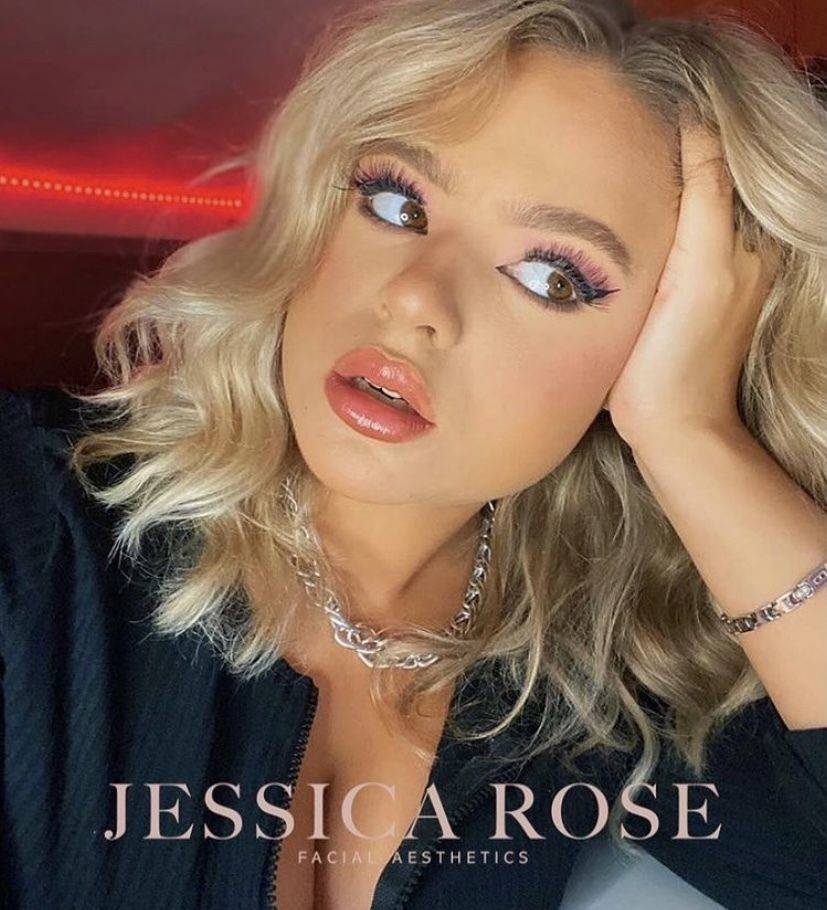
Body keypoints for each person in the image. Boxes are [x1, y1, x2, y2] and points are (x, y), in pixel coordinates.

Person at [1, 0, 826, 908]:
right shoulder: (32, 521)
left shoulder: (602, 684)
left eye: (553, 275)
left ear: (671, 338)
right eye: (396, 202)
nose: (413, 298)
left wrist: (691, 431)